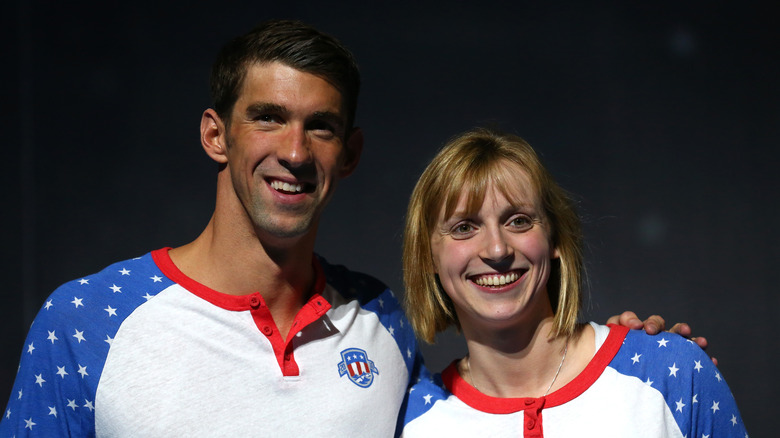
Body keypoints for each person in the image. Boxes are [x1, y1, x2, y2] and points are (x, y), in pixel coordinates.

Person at [1, 21, 697, 437]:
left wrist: (624, 361)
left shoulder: (383, 325)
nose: (296, 153)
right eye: (268, 117)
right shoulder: (88, 322)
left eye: (321, 127)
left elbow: (497, 408)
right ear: (216, 135)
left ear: (351, 153)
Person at [400, 128, 746, 437]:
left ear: (556, 241)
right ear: (428, 256)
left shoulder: (665, 373)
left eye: (519, 221)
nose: (496, 249)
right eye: (464, 227)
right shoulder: (413, 422)